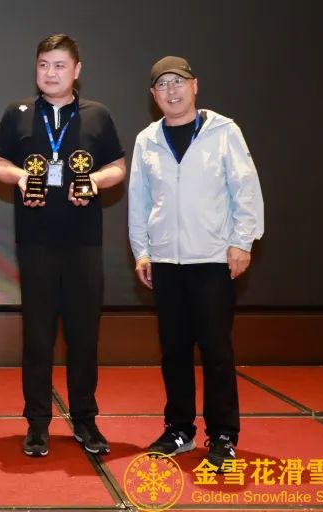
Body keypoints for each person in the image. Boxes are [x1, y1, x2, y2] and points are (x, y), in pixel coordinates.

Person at [0, 34, 125, 458]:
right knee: (38, 336)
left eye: (60, 65)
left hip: (84, 244)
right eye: (44, 65)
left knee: (84, 335)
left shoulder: (98, 115)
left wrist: (95, 181)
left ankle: (85, 419)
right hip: (35, 243)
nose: (51, 73)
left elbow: (118, 166)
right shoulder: (18, 113)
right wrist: (18, 177)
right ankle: (37, 422)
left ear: (77, 70)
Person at [127, 55, 264, 471]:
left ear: (194, 85)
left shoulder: (223, 131)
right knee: (173, 351)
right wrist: (142, 251)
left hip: (212, 259)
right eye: (162, 84)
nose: (171, 91)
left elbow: (245, 188)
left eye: (178, 82)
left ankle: (223, 434)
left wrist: (242, 242)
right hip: (165, 260)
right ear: (153, 94)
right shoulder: (147, 139)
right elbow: (139, 201)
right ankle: (179, 429)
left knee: (216, 350)